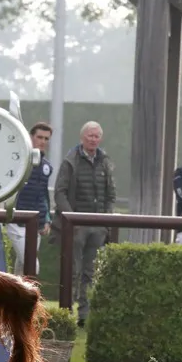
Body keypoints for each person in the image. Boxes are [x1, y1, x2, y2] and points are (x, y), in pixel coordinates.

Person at [54, 121, 115, 328]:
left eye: (96, 136)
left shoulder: (105, 162)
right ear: (82, 138)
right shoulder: (70, 161)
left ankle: (84, 316)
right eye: (90, 135)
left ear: (101, 138)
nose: (93, 139)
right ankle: (65, 316)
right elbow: (60, 192)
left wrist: (106, 220)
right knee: (73, 270)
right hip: (76, 227)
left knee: (90, 272)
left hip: (98, 227)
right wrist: (72, 219)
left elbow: (111, 195)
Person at [7, 122, 53, 276]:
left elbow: (43, 195)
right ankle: (31, 298)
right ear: (31, 137)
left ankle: (15, 299)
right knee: (32, 264)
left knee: (22, 266)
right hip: (16, 220)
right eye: (40, 137)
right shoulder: (17, 160)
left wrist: (46, 219)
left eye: (46, 139)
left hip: (36, 224)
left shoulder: (46, 166)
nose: (43, 141)